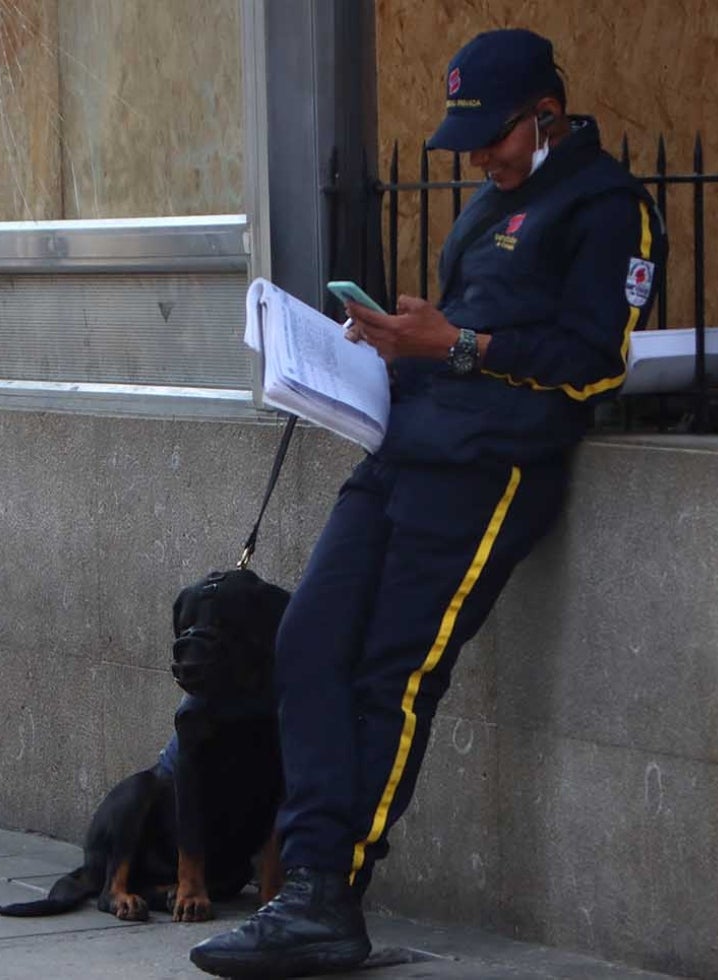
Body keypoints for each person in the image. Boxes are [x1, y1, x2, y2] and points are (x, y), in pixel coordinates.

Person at [190, 28, 666, 978]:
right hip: (404, 445)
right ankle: (304, 891)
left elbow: (596, 364)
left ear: (547, 114)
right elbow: (453, 332)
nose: (481, 157)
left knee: (397, 674)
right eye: (471, 141)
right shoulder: (492, 204)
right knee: (306, 641)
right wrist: (382, 345)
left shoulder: (610, 206)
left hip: (491, 469)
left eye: (492, 136)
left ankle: (326, 894)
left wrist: (454, 346)